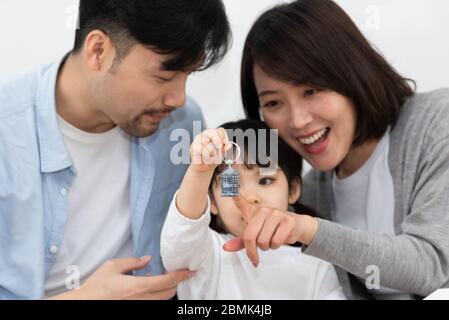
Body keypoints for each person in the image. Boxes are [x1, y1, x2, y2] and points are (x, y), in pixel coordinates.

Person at [0, 0, 231, 299]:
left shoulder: (183, 124)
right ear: (98, 50)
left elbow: (218, 201)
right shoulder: (8, 132)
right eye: (163, 77)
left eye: (188, 76)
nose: (178, 98)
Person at [229, 0, 449, 299]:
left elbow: (432, 265)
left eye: (311, 90)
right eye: (273, 103)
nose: (298, 120)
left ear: (351, 73)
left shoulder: (437, 122)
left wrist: (310, 231)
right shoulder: (306, 195)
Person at [160, 120, 345, 299]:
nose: (251, 197)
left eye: (265, 180)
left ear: (294, 190)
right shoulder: (206, 253)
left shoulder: (317, 266)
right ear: (212, 202)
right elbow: (179, 241)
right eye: (231, 184)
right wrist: (200, 171)